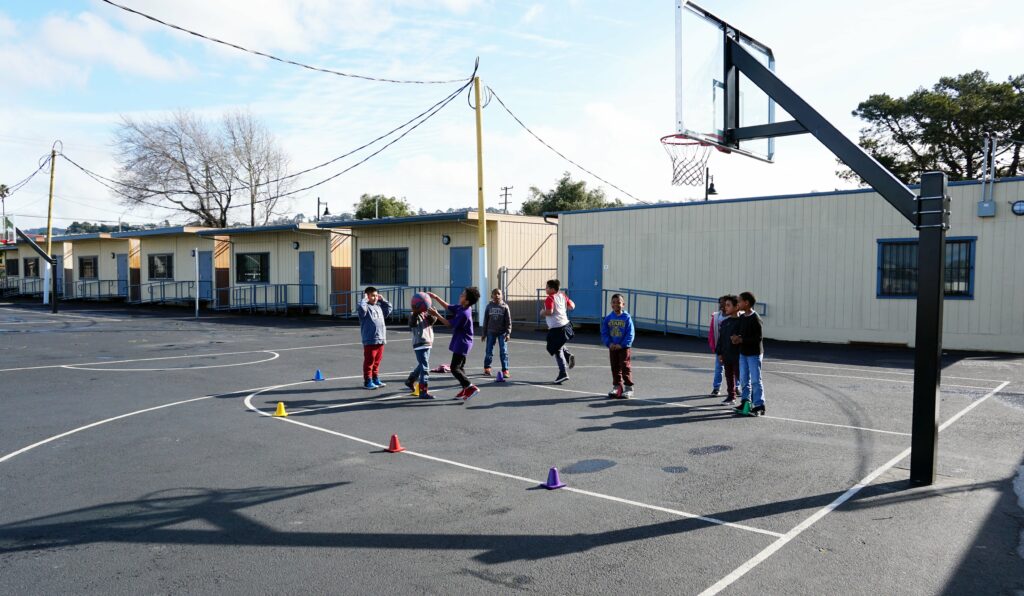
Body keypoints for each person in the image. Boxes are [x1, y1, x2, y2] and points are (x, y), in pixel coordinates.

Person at [427, 287, 481, 401]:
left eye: (463, 295)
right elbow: (447, 306)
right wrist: (435, 297)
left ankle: (470, 387)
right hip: (464, 341)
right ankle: (466, 388)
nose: (460, 295)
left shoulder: (464, 313)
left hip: (463, 342)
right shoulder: (463, 307)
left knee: (454, 368)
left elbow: (449, 324)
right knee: (460, 367)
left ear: (466, 300)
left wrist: (436, 315)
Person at [731, 291, 766, 416]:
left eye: (740, 301)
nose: (738, 303)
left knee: (756, 380)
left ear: (746, 303)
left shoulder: (755, 318)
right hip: (743, 353)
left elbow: (758, 338)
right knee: (744, 379)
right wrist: (736, 338)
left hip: (754, 354)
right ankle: (746, 402)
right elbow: (741, 333)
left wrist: (742, 339)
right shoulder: (742, 317)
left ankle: (759, 405)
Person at [539, 279, 575, 384]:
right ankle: (568, 356)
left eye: (547, 287)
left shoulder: (550, 298)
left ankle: (563, 373)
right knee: (559, 345)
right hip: (566, 325)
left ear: (552, 289)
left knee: (556, 350)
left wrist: (542, 312)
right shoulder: (562, 296)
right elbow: (572, 306)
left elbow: (549, 312)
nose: (545, 289)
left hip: (557, 328)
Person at [357, 286, 392, 390]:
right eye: (372, 295)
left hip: (380, 338)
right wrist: (364, 300)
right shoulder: (365, 307)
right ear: (367, 296)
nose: (375, 297)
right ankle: (368, 381)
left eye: (376, 295)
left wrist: (383, 299)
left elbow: (389, 308)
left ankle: (375, 378)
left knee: (377, 361)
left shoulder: (378, 307)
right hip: (370, 339)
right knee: (369, 361)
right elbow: (361, 309)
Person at [601, 293, 635, 398]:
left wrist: (623, 344)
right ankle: (617, 387)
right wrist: (609, 343)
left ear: (623, 304)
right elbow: (604, 333)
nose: (616, 304)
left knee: (625, 366)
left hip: (623, 348)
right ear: (611, 304)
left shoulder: (626, 318)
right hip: (613, 347)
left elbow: (630, 333)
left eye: (619, 302)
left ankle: (629, 387)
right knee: (614, 367)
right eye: (614, 302)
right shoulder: (608, 318)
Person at [405, 306, 437, 399]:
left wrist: (432, 313)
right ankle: (423, 392)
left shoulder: (427, 314)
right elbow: (412, 324)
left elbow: (433, 321)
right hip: (420, 344)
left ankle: (410, 380)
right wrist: (415, 313)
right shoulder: (413, 315)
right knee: (425, 368)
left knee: (422, 365)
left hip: (428, 343)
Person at [715, 295, 742, 404]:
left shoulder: (742, 322)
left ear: (736, 307)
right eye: (725, 305)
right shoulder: (725, 322)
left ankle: (747, 399)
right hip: (727, 354)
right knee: (729, 376)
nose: (725, 307)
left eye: (728, 305)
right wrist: (720, 353)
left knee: (741, 377)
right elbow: (721, 339)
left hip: (738, 355)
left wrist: (738, 339)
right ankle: (731, 396)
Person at [480, 288, 512, 378]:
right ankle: (487, 368)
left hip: (502, 333)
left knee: (504, 351)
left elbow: (508, 321)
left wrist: (508, 333)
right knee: (489, 351)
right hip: (491, 332)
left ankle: (505, 370)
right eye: (495, 294)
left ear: (502, 295)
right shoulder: (489, 306)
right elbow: (485, 320)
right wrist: (484, 333)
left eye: (498, 294)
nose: (497, 295)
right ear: (492, 296)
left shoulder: (505, 307)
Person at [708, 296, 728, 396]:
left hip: (731, 347)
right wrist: (713, 345)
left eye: (724, 303)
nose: (722, 305)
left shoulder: (734, 316)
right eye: (720, 303)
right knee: (718, 368)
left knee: (734, 369)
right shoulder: (716, 316)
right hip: (720, 347)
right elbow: (712, 332)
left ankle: (736, 388)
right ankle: (716, 388)